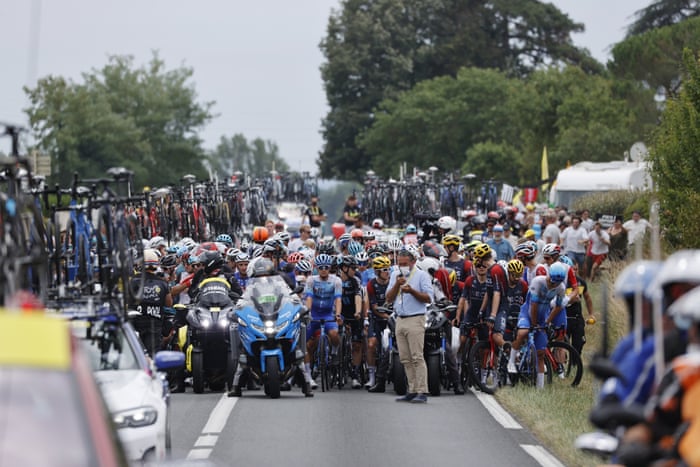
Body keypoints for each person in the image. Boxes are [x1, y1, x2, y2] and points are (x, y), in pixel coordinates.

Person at [386, 248, 433, 403]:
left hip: (416, 318)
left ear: (413, 262)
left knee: (417, 356)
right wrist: (396, 286)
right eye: (400, 264)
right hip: (400, 318)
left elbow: (428, 298)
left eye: (405, 264)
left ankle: (422, 390)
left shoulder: (422, 276)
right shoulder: (395, 275)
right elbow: (388, 298)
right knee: (405, 357)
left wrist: (412, 291)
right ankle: (412, 389)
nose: (402, 267)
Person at [303, 253, 343, 392]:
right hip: (313, 313)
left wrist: (337, 314)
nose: (324, 270)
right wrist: (307, 312)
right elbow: (308, 297)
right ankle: (308, 375)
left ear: (330, 267)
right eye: (321, 268)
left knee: (333, 334)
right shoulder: (311, 280)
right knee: (304, 344)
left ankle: (334, 351)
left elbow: (338, 299)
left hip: (328, 314)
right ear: (316, 268)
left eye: (326, 267)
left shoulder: (336, 280)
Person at [128, 248, 172, 357]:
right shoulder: (162, 283)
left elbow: (126, 300)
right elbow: (169, 304)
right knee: (153, 356)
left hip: (135, 325)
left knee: (135, 355)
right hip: (155, 325)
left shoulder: (132, 281)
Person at [338, 255, 365, 389]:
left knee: (356, 345)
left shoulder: (356, 280)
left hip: (354, 314)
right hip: (340, 314)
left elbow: (358, 296)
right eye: (353, 268)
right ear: (344, 268)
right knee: (335, 339)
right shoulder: (335, 280)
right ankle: (334, 365)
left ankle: (355, 374)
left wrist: (358, 312)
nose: (356, 270)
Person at [366, 255, 392, 393]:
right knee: (371, 344)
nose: (387, 272)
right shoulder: (371, 284)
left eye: (388, 269)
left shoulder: (392, 283)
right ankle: (371, 376)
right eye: (384, 269)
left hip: (391, 317)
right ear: (377, 271)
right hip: (377, 318)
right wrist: (385, 316)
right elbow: (374, 307)